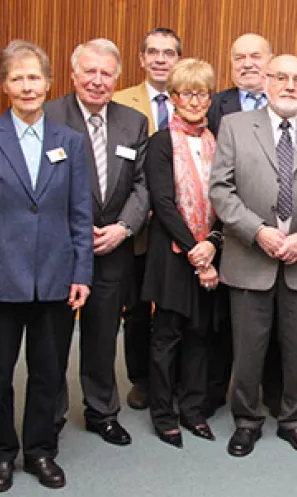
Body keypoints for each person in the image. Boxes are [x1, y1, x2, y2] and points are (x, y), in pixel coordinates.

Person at [0, 40, 92, 492]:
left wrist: (81, 274)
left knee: (48, 373)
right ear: (4, 86)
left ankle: (39, 451)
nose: (27, 86)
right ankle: (1, 454)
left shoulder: (70, 143)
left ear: (49, 83)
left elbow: (80, 215)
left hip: (56, 278)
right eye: (17, 78)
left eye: (34, 77)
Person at [209, 54, 297, 458]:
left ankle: (295, 421)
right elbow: (221, 191)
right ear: (266, 82)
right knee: (249, 350)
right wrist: (258, 232)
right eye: (281, 78)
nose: (290, 85)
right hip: (250, 258)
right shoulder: (234, 127)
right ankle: (247, 421)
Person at [45, 38, 149, 447]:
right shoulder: (49, 115)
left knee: (103, 335)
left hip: (112, 246)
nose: (97, 80)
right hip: (59, 248)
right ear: (73, 73)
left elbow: (143, 186)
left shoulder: (132, 121)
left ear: (117, 78)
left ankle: (102, 412)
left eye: (106, 73)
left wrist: (124, 228)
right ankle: (49, 415)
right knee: (52, 338)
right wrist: (73, 228)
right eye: (89, 71)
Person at [141, 58, 223, 448]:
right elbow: (163, 202)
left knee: (200, 335)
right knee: (167, 337)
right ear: (172, 98)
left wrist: (213, 245)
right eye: (186, 93)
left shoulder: (217, 140)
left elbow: (226, 197)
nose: (194, 100)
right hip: (174, 255)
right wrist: (196, 252)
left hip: (211, 250)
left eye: (201, 92)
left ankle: (193, 410)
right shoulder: (160, 142)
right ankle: (163, 413)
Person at [112, 27, 183, 410]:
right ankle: (141, 378)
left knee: (176, 306)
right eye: (152, 52)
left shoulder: (192, 100)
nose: (160, 59)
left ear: (178, 60)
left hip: (181, 227)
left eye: (168, 53)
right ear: (141, 59)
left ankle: (176, 377)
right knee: (136, 308)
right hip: (137, 225)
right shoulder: (120, 102)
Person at [206, 33, 297, 137]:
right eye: (239, 58)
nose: (247, 65)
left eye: (255, 56)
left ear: (271, 61)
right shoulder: (213, 105)